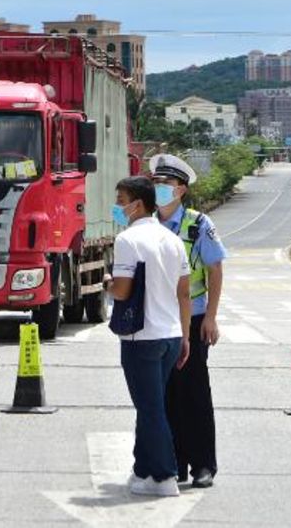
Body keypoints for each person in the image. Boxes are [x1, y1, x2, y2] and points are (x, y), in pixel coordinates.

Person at [109, 176, 192, 497]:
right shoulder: (171, 239)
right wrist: (185, 337)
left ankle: (165, 475)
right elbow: (184, 293)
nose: (118, 207)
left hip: (141, 337)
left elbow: (122, 289)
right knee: (150, 405)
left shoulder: (127, 240)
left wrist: (106, 283)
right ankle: (143, 470)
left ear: (137, 204)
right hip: (171, 335)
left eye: (120, 200)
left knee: (151, 408)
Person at [152, 154, 228, 489]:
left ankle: (203, 465)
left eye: (166, 185)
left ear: (181, 189)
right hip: (157, 321)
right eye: (156, 183)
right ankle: (173, 464)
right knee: (163, 395)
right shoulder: (146, 223)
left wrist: (211, 317)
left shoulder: (198, 224)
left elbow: (215, 268)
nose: (159, 189)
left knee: (194, 394)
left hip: (193, 319)